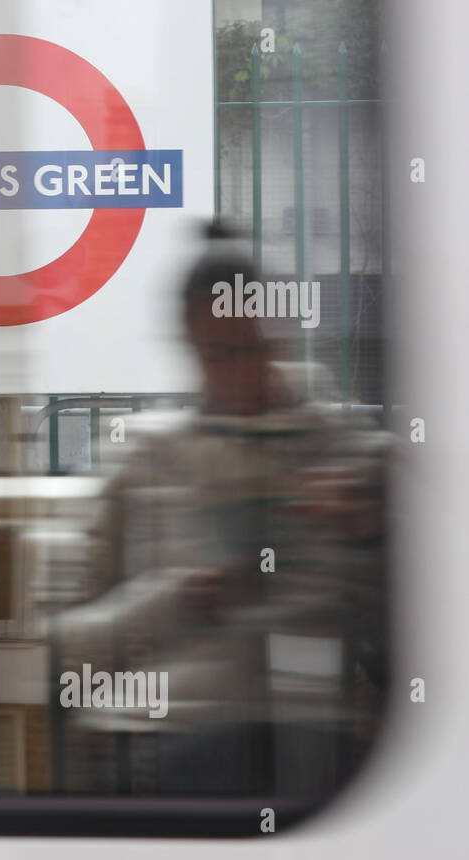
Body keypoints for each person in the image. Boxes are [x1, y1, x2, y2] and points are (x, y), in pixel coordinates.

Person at [52, 223, 389, 797]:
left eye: (252, 348)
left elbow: (425, 626)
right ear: (188, 346)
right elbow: (62, 646)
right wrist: (172, 598)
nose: (236, 372)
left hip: (308, 724)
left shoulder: (349, 451)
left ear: (279, 335)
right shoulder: (144, 457)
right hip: (168, 727)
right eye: (216, 355)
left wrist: (365, 537)